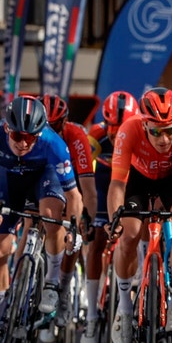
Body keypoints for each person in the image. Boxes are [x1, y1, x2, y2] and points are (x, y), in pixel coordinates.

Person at [0, 96, 84, 343]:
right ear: (6, 128)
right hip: (8, 181)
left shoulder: (54, 143)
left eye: (30, 138)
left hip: (45, 178)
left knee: (51, 217)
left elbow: (74, 195)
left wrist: (74, 229)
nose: (23, 143)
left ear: (40, 133)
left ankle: (51, 284)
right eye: (18, 136)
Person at [106, 87, 172, 343]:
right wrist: (115, 218)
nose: (164, 139)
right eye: (156, 132)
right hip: (138, 180)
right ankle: (124, 309)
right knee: (129, 233)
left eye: (170, 131)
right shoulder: (129, 130)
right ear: (144, 124)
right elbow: (117, 185)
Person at [83, 91, 139, 343]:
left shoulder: (141, 133)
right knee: (96, 241)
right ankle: (91, 315)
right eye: (112, 129)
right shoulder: (96, 134)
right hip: (105, 184)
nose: (116, 136)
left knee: (134, 237)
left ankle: (130, 302)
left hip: (133, 185)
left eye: (121, 129)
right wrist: (85, 211)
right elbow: (83, 172)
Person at [39, 94, 97, 330]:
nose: (49, 131)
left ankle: (62, 288)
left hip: (69, 182)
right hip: (41, 178)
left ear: (64, 122)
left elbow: (87, 188)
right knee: (29, 224)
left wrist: (88, 218)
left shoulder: (76, 136)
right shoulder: (32, 134)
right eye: (45, 126)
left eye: (55, 126)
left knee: (73, 232)